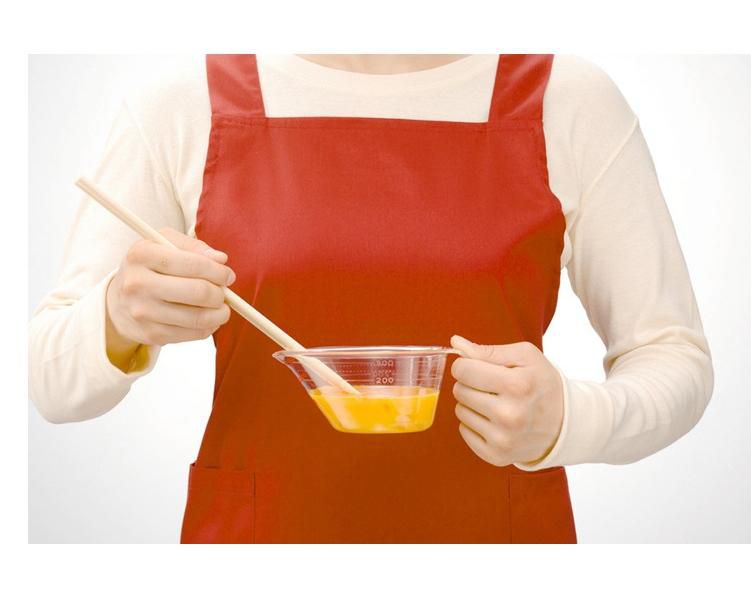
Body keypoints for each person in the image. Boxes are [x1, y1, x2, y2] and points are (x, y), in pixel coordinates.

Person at [28, 54, 714, 543]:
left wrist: (572, 419)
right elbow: (46, 382)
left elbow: (673, 355)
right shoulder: (185, 101)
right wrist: (118, 315)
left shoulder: (570, 100)